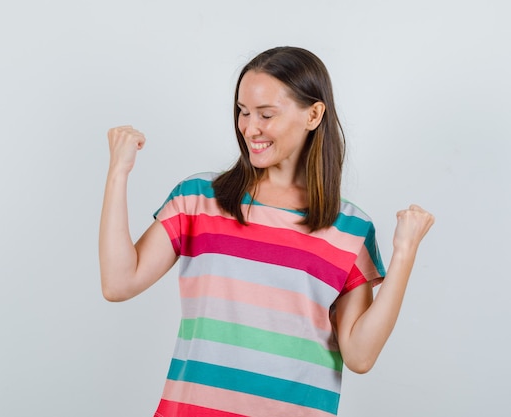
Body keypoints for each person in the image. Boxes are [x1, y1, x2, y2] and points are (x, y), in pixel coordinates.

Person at [99, 46, 434, 417]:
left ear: (314, 114)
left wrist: (404, 255)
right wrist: (118, 173)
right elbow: (119, 283)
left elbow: (360, 355)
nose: (249, 127)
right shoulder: (198, 199)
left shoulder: (351, 229)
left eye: (266, 114)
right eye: (243, 112)